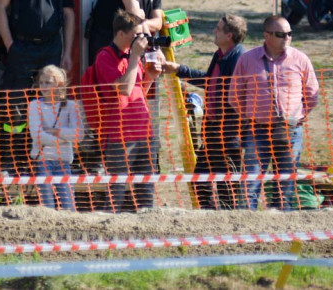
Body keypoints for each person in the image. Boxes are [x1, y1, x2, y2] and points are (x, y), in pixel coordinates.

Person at [230, 15, 320, 210]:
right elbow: (235, 95)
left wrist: (300, 116)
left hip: (290, 131)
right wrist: (250, 115)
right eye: (281, 34)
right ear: (267, 35)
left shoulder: (301, 59)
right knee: (250, 183)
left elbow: (312, 94)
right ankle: (244, 227)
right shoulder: (247, 59)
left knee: (286, 185)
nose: (287, 37)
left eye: (289, 34)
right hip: (257, 130)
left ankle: (282, 229)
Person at [159, 14, 248, 210]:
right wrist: (179, 69)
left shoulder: (238, 59)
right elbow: (209, 81)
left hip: (228, 133)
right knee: (201, 180)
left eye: (218, 28)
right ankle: (210, 217)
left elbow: (236, 97)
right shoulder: (220, 54)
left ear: (229, 35)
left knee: (228, 186)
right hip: (213, 131)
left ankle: (230, 222)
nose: (214, 31)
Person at [88, 11, 160, 212]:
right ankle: (110, 224)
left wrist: (149, 77)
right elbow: (124, 90)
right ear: (120, 34)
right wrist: (136, 55)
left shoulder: (132, 55)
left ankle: (146, 227)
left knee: (145, 185)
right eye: (136, 35)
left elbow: (138, 91)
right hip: (119, 133)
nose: (141, 40)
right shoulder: (104, 57)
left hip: (143, 131)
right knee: (117, 186)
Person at [28, 65, 82, 211]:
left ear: (58, 84)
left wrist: (55, 131)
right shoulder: (34, 105)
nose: (43, 86)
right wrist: (64, 138)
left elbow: (79, 135)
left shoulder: (71, 105)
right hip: (43, 161)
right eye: (42, 82)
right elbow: (37, 135)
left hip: (63, 161)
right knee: (47, 208)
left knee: (69, 206)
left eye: (48, 82)